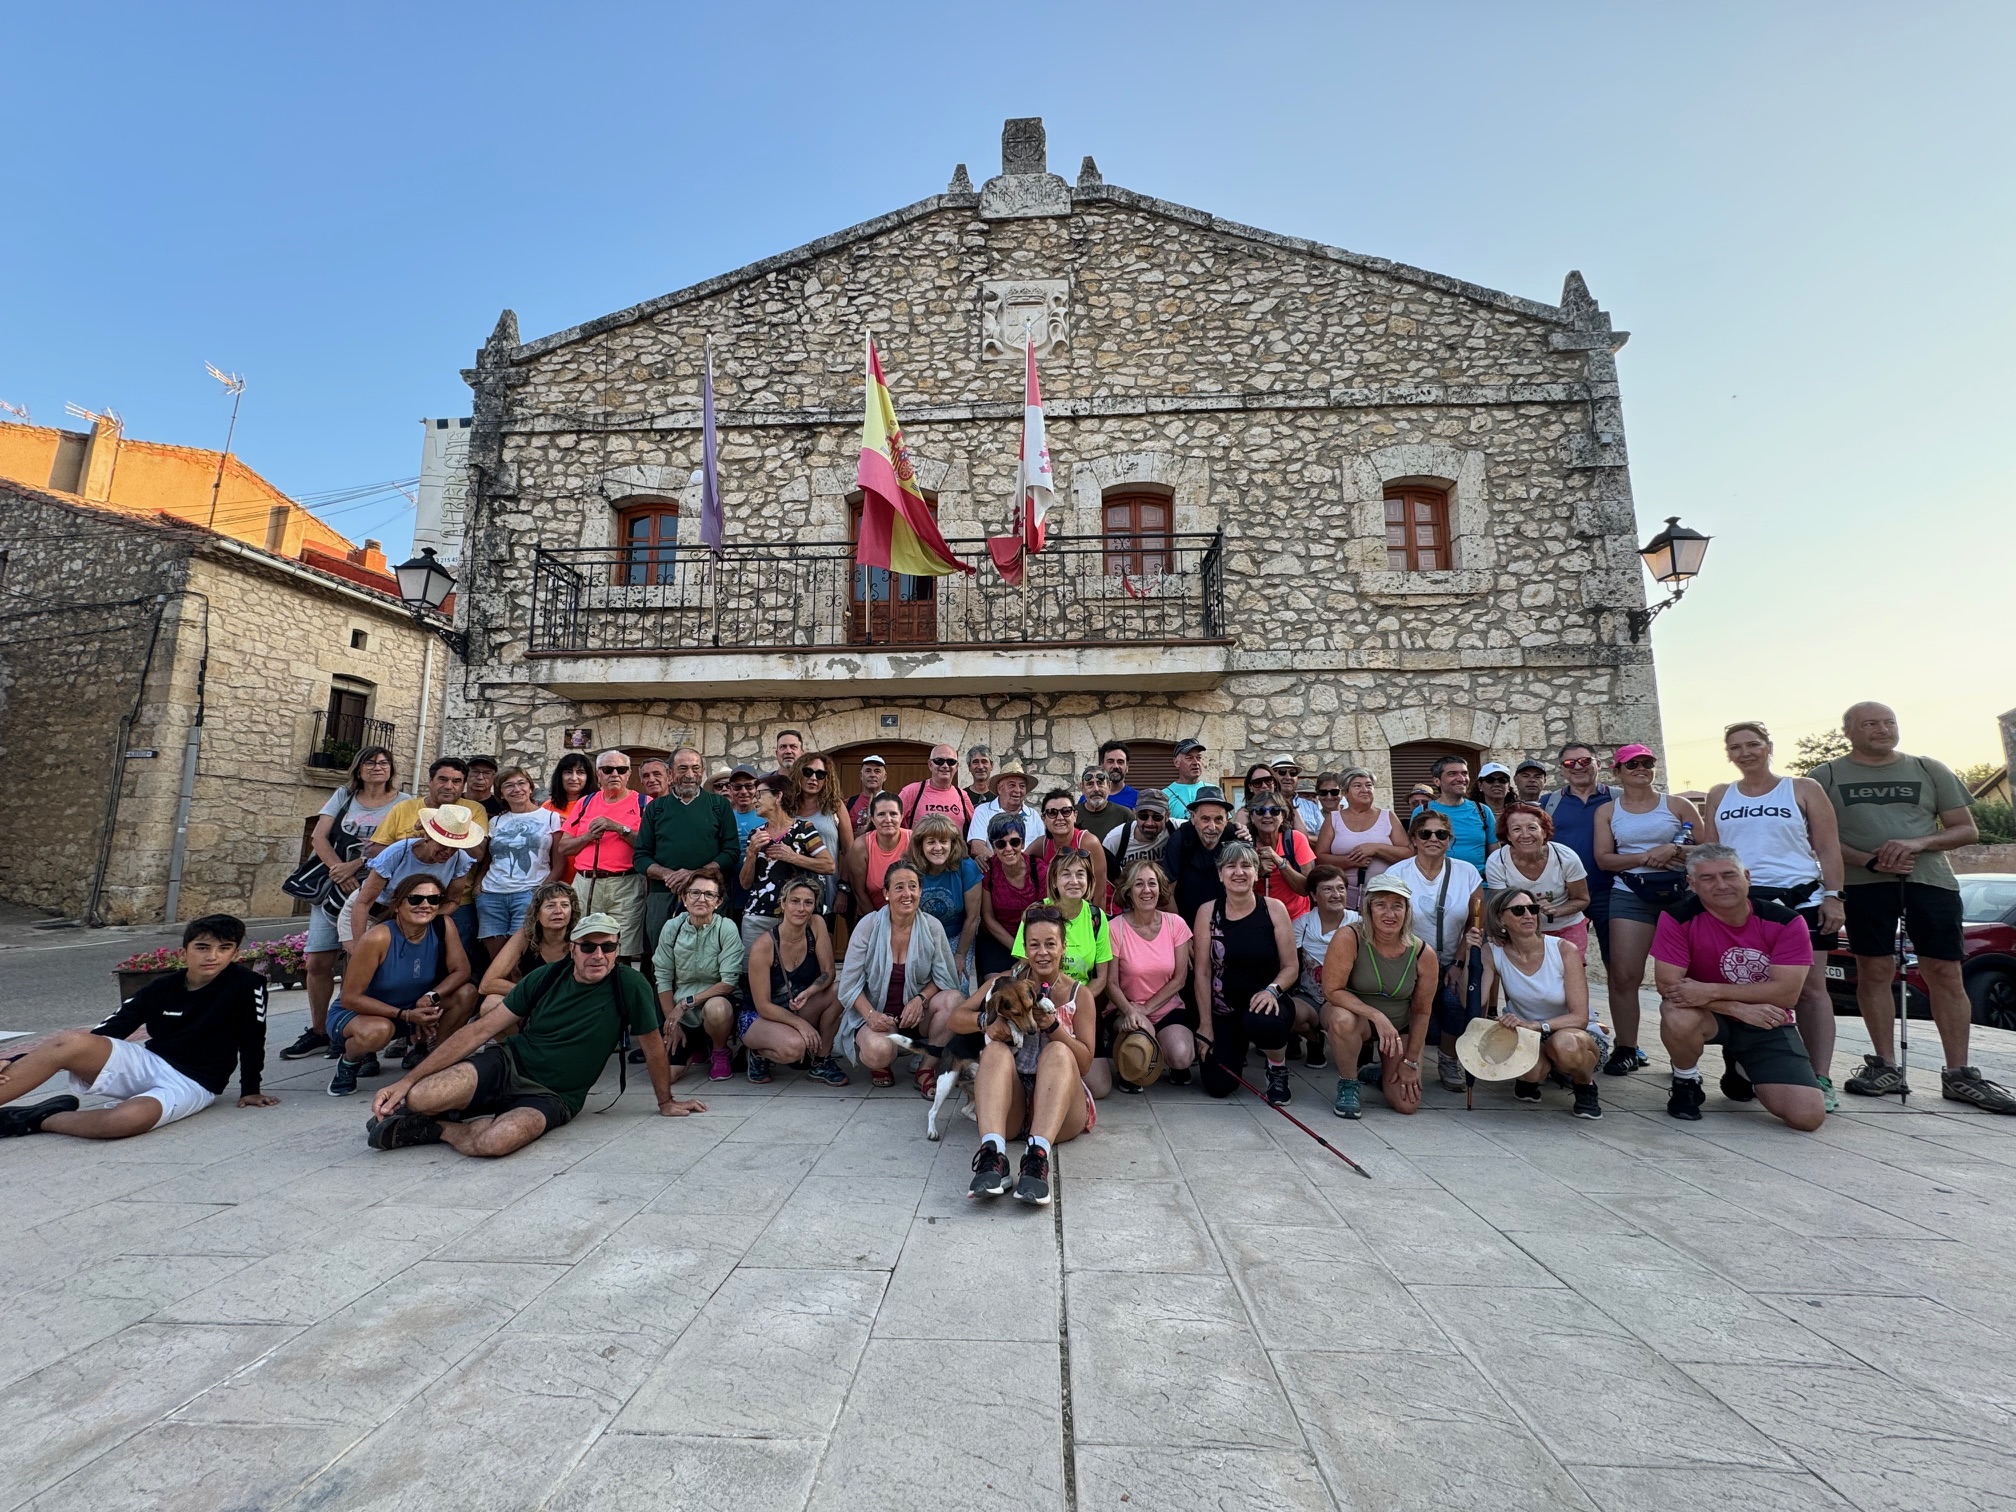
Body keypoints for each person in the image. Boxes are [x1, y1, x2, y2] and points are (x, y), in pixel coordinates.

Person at [1812, 703, 2013, 1112]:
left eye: (1889, 722)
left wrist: (1917, 843)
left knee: (1945, 971)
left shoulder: (1927, 768)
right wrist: (1868, 859)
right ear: (1849, 731)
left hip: (1930, 882)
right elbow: (1817, 838)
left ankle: (1959, 1073)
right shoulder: (1827, 775)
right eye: (1870, 723)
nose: (1882, 729)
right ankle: (1885, 1065)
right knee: (1874, 970)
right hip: (1864, 885)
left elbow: (1965, 829)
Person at [364, 912, 704, 1155]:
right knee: (421, 1096)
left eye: (608, 947)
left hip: (553, 1095)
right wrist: (407, 1081)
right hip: (509, 1064)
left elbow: (652, 1046)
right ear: (572, 949)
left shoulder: (630, 985)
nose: (598, 955)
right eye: (588, 946)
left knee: (493, 1144)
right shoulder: (545, 977)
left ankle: (434, 1128)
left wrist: (666, 1102)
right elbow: (481, 1030)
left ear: (617, 949)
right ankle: (428, 1110)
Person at [0, 914, 275, 1139]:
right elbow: (110, 1030)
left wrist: (250, 1089)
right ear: (185, 951)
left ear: (235, 953)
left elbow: (253, 1038)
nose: (212, 956)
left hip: (194, 1082)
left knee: (123, 1122)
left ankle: (42, 1118)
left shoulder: (246, 985)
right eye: (202, 947)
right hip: (150, 1061)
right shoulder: (162, 987)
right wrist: (14, 1058)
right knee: (71, 1042)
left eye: (224, 948)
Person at [1700, 720, 1847, 1112]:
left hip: (1800, 897)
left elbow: (1828, 847)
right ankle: (1746, 1064)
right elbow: (1710, 851)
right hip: (1740, 901)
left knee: (1810, 988)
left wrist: (1834, 897)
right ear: (1728, 753)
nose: (1745, 752)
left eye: (1752, 744)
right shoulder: (1720, 794)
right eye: (1736, 747)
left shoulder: (1803, 789)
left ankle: (1820, 1076)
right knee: (1743, 981)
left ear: (1768, 746)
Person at [1652, 846, 1826, 1130]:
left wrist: (1710, 991)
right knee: (1676, 1012)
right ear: (1692, 884)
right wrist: (1733, 1007)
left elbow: (1786, 993)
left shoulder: (1785, 920)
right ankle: (1686, 1080)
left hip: (1765, 1017)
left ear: (1747, 876)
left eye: (1729, 875)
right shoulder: (1677, 917)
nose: (1721, 885)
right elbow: (1668, 985)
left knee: (1807, 1117)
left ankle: (1741, 1068)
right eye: (1707, 879)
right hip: (1711, 1015)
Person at [963, 906, 1097, 1205]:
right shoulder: (1006, 984)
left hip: (1061, 1106)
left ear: (1063, 946)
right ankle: (993, 1155)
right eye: (1034, 944)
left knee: (1059, 1051)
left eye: (1050, 943)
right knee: (994, 1050)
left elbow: (1085, 1063)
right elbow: (955, 1018)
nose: (1042, 952)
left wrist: (1055, 1029)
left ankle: (1036, 1160)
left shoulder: (1081, 995)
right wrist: (988, 1022)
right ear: (1024, 947)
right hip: (1014, 1103)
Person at [286, 744, 406, 1062]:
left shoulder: (404, 802)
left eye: (383, 762)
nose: (377, 767)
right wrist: (338, 870)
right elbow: (319, 837)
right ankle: (319, 1030)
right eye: (369, 763)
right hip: (334, 888)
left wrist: (354, 866)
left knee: (358, 963)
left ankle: (352, 1029)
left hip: (376, 892)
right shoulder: (343, 796)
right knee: (318, 962)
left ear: (392, 769)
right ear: (358, 768)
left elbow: (399, 843)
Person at [1593, 743, 1704, 1078]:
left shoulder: (1678, 805)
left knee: (1686, 977)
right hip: (1631, 892)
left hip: (1680, 894)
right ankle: (1627, 1047)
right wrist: (1646, 856)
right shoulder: (1609, 812)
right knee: (1625, 976)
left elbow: (1710, 848)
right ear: (1618, 772)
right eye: (1632, 764)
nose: (1641, 769)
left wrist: (1673, 848)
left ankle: (1685, 1053)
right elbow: (1604, 859)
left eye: (1647, 763)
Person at [328, 873, 479, 1095]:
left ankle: (435, 1061)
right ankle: (349, 1062)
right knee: (379, 1031)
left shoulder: (443, 925)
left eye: (434, 900)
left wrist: (431, 997)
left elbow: (462, 970)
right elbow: (351, 998)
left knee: (466, 994)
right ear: (397, 904)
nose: (425, 905)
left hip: (411, 1007)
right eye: (416, 899)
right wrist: (406, 1015)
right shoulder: (378, 937)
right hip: (363, 1013)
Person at [836, 859, 967, 1089]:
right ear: (886, 893)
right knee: (878, 1052)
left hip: (917, 1017)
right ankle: (882, 1060)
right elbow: (849, 984)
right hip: (877, 1014)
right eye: (899, 887)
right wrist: (870, 1015)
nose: (907, 894)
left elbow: (944, 978)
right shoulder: (868, 926)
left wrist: (921, 999)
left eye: (913, 886)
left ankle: (926, 1067)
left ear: (920, 891)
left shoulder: (932, 926)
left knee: (955, 999)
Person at [1383, 807, 1486, 1093]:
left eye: (1441, 834)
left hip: (1452, 958)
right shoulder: (1398, 873)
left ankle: (1448, 1060)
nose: (1433, 839)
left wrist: (1460, 962)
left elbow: (1475, 924)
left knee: (1454, 1005)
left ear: (1450, 840)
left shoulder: (1466, 873)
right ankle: (1397, 1059)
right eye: (1425, 833)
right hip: (1408, 960)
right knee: (1405, 1009)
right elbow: (1385, 919)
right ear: (1414, 838)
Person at [1477, 887, 1605, 1119]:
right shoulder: (1492, 952)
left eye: (1532, 909)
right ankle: (1538, 1074)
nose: (1528, 915)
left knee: (1565, 1046)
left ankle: (1585, 1084)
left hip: (1574, 1032)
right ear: (1499, 918)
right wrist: (1471, 955)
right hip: (1527, 1033)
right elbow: (1477, 1002)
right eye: (1518, 910)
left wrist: (1536, 1024)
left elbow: (1579, 1017)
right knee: (1532, 1073)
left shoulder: (1564, 949)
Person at [1320, 875, 1437, 1118]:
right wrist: (1376, 1016)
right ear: (1368, 908)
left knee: (1407, 1105)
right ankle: (1348, 1083)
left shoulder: (1423, 953)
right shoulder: (1349, 937)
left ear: (1407, 910)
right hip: (1356, 1017)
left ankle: (1378, 1073)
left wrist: (1411, 1061)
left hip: (1398, 1027)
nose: (1389, 913)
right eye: (1381, 905)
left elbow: (1421, 1011)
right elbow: (1332, 990)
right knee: (1342, 1019)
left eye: (1397, 905)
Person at [1193, 842, 1299, 1105]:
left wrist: (1272, 990)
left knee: (1262, 1021)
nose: (1238, 872)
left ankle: (1277, 1067)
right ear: (1220, 874)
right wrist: (1205, 1025)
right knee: (1218, 1085)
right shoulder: (1208, 911)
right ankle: (1235, 1047)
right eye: (1230, 866)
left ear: (1256, 872)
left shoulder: (1274, 909)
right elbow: (1203, 973)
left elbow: (1291, 966)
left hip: (1266, 1003)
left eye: (1246, 866)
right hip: (1224, 1010)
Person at [742, 878, 849, 1085]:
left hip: (797, 1003)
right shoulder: (763, 945)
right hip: (760, 1015)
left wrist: (809, 992)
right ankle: (758, 1053)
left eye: (808, 903)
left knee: (839, 991)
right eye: (795, 901)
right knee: (795, 1048)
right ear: (783, 904)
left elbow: (828, 972)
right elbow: (763, 1006)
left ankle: (821, 1061)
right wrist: (801, 1025)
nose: (801, 908)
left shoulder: (816, 924)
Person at [1102, 859, 1197, 1091]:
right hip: (1126, 1008)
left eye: (1152, 884)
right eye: (1139, 884)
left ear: (1160, 888)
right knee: (1140, 1036)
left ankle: (1157, 1052)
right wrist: (1131, 1011)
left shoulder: (1176, 924)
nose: (1147, 890)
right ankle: (1132, 1058)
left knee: (1182, 1057)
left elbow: (1180, 979)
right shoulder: (1114, 928)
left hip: (1166, 1007)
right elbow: (1110, 983)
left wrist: (1146, 1009)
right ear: (1128, 891)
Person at [631, 746, 739, 947]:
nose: (690, 775)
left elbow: (730, 852)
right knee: (663, 955)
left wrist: (695, 876)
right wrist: (667, 875)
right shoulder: (656, 808)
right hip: (663, 895)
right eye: (683, 768)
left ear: (702, 771)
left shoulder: (719, 805)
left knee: (708, 954)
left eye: (695, 768)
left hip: (707, 894)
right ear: (671, 773)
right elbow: (640, 857)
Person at [345, 803, 484, 953]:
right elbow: (363, 903)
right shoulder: (397, 852)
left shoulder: (460, 859)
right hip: (371, 913)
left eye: (455, 846)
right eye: (443, 844)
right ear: (427, 837)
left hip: (413, 920)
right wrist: (361, 948)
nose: (448, 852)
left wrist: (423, 914)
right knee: (363, 967)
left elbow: (453, 901)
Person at [649, 873, 745, 1083]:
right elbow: (663, 978)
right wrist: (672, 1023)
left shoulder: (725, 928)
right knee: (666, 1076)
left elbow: (728, 983)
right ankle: (698, 1047)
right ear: (684, 898)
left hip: (715, 1004)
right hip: (681, 1013)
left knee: (716, 1008)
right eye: (695, 893)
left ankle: (719, 1050)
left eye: (709, 894)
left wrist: (685, 1003)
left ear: (718, 902)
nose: (701, 899)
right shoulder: (672, 928)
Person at [554, 750, 648, 961]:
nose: (614, 774)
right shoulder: (585, 803)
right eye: (608, 770)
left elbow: (649, 846)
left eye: (621, 770)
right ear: (598, 774)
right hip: (586, 883)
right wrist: (588, 836)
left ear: (627, 775)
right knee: (584, 942)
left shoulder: (644, 803)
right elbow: (564, 847)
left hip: (626, 883)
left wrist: (618, 828)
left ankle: (621, 990)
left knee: (625, 948)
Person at [738, 773, 836, 952]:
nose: (754, 800)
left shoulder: (803, 829)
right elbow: (745, 883)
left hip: (795, 915)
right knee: (751, 973)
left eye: (759, 794)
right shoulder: (756, 834)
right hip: (757, 915)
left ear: (778, 796)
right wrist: (751, 852)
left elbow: (828, 865)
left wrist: (793, 857)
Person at [477, 767, 567, 954]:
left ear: (530, 788)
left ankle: (520, 985)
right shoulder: (495, 822)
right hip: (491, 894)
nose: (516, 789)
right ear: (501, 793)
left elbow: (559, 863)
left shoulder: (550, 818)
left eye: (521, 783)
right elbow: (487, 859)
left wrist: (540, 892)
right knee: (496, 959)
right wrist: (478, 886)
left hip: (528, 893)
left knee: (520, 956)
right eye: (508, 785)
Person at [1541, 742, 1615, 966]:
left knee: (1617, 964)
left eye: (1584, 761)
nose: (1577, 767)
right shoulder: (1548, 804)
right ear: (1562, 769)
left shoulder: (1618, 799)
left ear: (1598, 764)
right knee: (1561, 963)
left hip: (1609, 893)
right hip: (1565, 895)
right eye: (1569, 763)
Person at [1484, 803, 1592, 953]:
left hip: (1566, 927)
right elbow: (1500, 906)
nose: (1525, 835)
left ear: (1544, 831)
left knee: (1570, 972)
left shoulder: (1566, 857)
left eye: (1532, 828)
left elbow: (1582, 899)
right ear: (1508, 835)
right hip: (1520, 931)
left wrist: (1557, 910)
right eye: (1516, 829)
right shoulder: (1497, 862)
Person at [1012, 849, 1112, 1002]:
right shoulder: (1035, 912)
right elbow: (1022, 968)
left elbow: (1100, 979)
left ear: (1089, 880)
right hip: (1039, 999)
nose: (1074, 881)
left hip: (1080, 1000)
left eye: (1080, 874)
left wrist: (1075, 1003)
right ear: (1054, 881)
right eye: (1066, 874)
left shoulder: (1096, 917)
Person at [1313, 767, 1409, 911]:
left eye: (1369, 785)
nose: (1365, 789)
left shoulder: (1388, 816)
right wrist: (1350, 861)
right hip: (1342, 896)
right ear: (1345, 792)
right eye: (1358, 786)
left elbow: (1408, 853)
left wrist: (1376, 848)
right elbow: (1320, 857)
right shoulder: (1334, 819)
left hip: (1384, 894)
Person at [1291, 864, 1356, 1069]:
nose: (1336, 894)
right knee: (1286, 1013)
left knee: (1343, 1019)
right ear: (1313, 895)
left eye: (1341, 888)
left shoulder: (1359, 924)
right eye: (1327, 889)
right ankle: (1314, 1039)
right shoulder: (1303, 924)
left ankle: (1357, 1052)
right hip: (1308, 997)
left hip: (1342, 999)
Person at [478, 881, 577, 1014]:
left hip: (569, 1004)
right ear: (537, 913)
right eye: (550, 906)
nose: (558, 911)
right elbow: (487, 984)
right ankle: (518, 1035)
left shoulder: (581, 938)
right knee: (490, 1003)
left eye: (564, 905)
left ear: (572, 911)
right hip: (533, 1003)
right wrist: (534, 992)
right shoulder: (525, 936)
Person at [911, 816, 982, 987]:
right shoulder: (910, 867)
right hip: (919, 936)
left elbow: (973, 918)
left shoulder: (967, 868)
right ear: (920, 845)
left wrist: (960, 955)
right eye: (931, 842)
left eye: (943, 841)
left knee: (957, 986)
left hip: (956, 936)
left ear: (952, 843)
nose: (938, 848)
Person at [979, 812, 1044, 980]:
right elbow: (988, 917)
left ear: (1022, 843)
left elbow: (1045, 913)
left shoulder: (1039, 870)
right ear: (993, 847)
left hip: (1034, 938)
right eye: (1001, 844)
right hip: (998, 940)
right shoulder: (989, 871)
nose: (1008, 849)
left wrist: (1028, 950)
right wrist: (1019, 951)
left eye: (1014, 842)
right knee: (997, 986)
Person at [371, 757, 487, 849]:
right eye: (442, 779)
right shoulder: (403, 808)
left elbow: (479, 855)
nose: (448, 786)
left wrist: (436, 829)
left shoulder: (473, 811)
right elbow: (376, 849)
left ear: (463, 786)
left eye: (456, 781)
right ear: (430, 781)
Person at [790, 750, 853, 917]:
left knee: (823, 940)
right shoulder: (786, 807)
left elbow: (848, 851)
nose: (813, 778)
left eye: (820, 774)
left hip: (826, 890)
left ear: (827, 778)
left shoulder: (835, 807)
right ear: (798, 773)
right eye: (808, 772)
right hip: (790, 890)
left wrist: (843, 889)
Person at [1164, 785, 1237, 925]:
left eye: (1218, 819)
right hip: (1187, 920)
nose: (1212, 827)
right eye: (1205, 819)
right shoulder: (1179, 840)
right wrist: (1181, 934)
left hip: (1228, 921)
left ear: (1227, 820)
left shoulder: (1235, 837)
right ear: (1192, 818)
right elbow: (1168, 891)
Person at [1030, 788, 1110, 907]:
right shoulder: (1043, 844)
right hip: (1058, 910)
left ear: (1075, 815)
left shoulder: (1088, 843)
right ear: (1044, 819)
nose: (1060, 817)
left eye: (1066, 811)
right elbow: (1018, 860)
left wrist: (1096, 922)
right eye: (1052, 812)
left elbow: (1100, 893)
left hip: (1087, 910)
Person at [1247, 792, 1315, 918]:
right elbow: (1238, 890)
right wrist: (1257, 872)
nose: (1267, 816)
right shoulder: (1246, 844)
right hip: (1259, 918)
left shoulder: (1295, 839)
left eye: (1274, 811)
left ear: (1283, 815)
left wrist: (1281, 863)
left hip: (1296, 917)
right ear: (1251, 817)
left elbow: (1306, 889)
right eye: (1260, 811)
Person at [847, 791, 913, 912]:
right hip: (872, 914)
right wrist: (878, 924)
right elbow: (859, 893)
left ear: (901, 816)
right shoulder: (861, 846)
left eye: (893, 814)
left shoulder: (913, 841)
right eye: (881, 814)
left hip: (910, 914)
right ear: (872, 818)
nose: (888, 819)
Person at [1426, 755, 1495, 869]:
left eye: (1464, 773)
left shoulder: (1483, 811)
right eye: (1452, 774)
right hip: (1436, 883)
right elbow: (1415, 851)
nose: (1461, 778)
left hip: (1479, 883)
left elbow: (1495, 855)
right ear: (1437, 781)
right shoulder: (1424, 811)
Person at [542, 753, 595, 884]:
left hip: (585, 878)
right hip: (553, 877)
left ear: (588, 777)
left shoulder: (596, 804)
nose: (574, 778)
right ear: (560, 776)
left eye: (580, 772)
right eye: (568, 772)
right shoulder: (547, 806)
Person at [967, 759, 1035, 860]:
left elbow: (1042, 847)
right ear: (999, 789)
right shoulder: (983, 811)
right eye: (1012, 785)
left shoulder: (1033, 815)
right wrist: (1003, 865)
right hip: (995, 871)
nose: (1017, 790)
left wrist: (1021, 865)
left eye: (1022, 786)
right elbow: (977, 847)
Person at [897, 744, 977, 830]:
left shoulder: (962, 796)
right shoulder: (911, 792)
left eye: (951, 762)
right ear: (930, 764)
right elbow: (892, 823)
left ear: (957, 766)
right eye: (939, 761)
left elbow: (977, 829)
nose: (945, 765)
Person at [1104, 788, 1174, 882]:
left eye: (1157, 817)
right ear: (1135, 814)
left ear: (1167, 816)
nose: (1150, 823)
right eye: (1143, 816)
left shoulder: (1175, 828)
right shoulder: (1115, 839)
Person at [1075, 765, 1133, 845]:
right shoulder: (1072, 814)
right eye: (1090, 784)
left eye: (1100, 783)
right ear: (1082, 788)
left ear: (1109, 786)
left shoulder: (1124, 815)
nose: (1096, 789)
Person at [1163, 738, 1208, 822]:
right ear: (1176, 762)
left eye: (1199, 758)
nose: (1196, 762)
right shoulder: (1165, 795)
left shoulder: (1213, 790)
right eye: (1189, 758)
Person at [1272, 755, 1321, 832]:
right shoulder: (1263, 806)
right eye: (1282, 772)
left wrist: (1301, 838)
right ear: (1273, 776)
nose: (1288, 777)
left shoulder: (1311, 806)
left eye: (1293, 773)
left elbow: (1325, 839)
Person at [846, 753, 889, 832]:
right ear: (861, 776)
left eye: (877, 771)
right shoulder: (849, 803)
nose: (872, 775)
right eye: (868, 771)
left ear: (884, 777)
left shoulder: (892, 803)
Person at [1099, 740, 1140, 809]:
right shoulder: (1089, 798)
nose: (1115, 766)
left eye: (1120, 762)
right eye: (1110, 761)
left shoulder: (1138, 799)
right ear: (1102, 766)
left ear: (1127, 768)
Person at [1474, 762, 1514, 826]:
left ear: (1508, 786)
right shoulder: (1471, 813)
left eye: (1502, 780)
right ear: (1480, 785)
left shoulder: (1518, 812)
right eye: (1490, 780)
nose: (1497, 784)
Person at [963, 744, 995, 810]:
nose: (980, 766)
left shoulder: (1000, 796)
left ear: (991, 766)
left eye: (984, 762)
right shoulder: (962, 796)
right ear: (969, 767)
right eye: (975, 762)